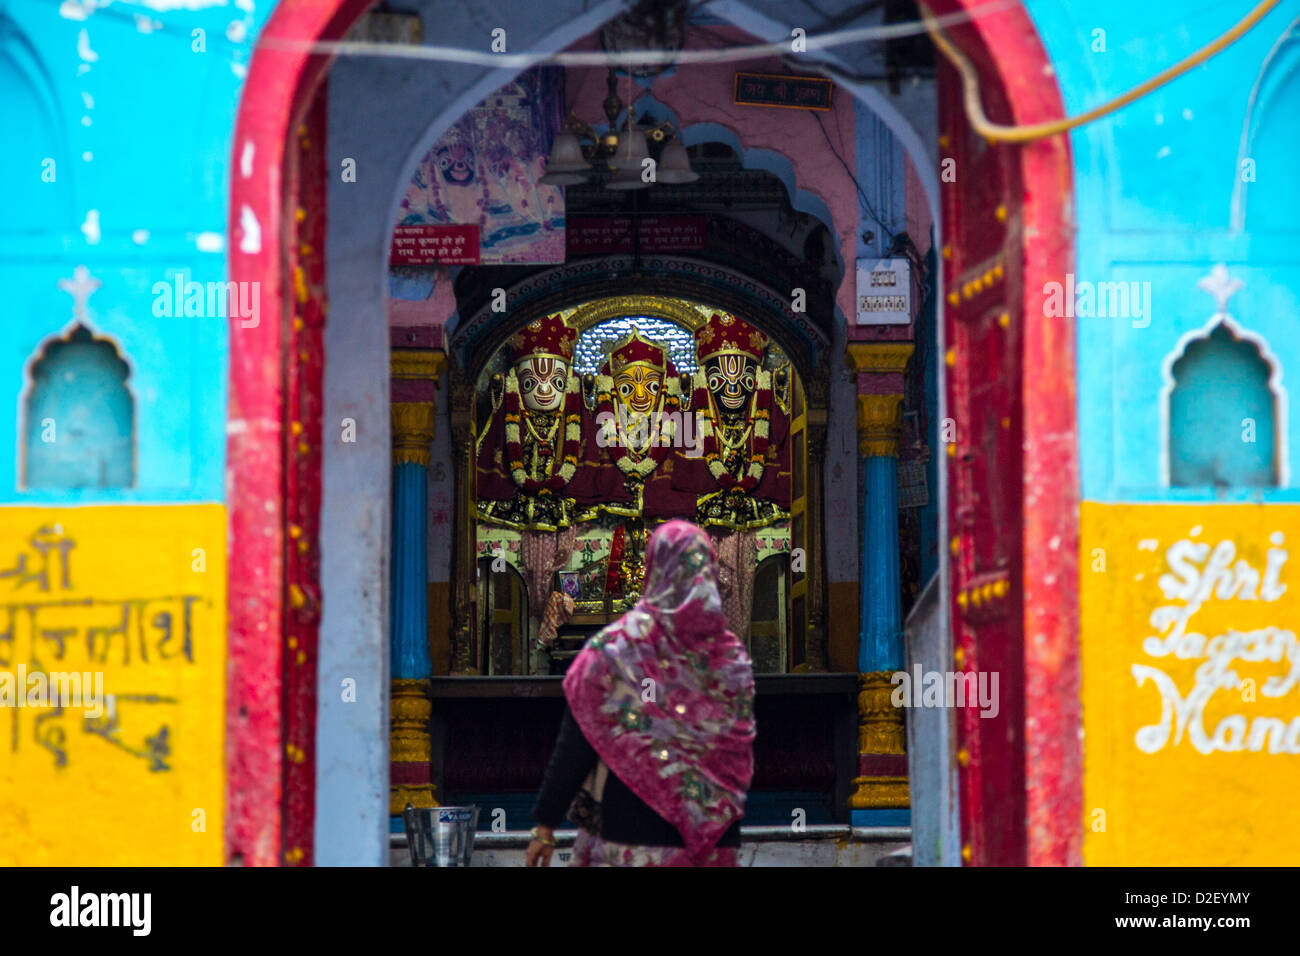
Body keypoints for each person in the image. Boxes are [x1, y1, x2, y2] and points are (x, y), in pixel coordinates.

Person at [525, 519, 756, 867]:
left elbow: (576, 745)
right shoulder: (730, 659)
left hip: (632, 833)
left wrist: (545, 826)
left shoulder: (616, 649)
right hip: (712, 840)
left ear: (654, 569)